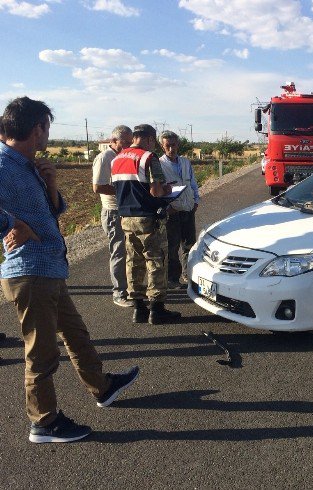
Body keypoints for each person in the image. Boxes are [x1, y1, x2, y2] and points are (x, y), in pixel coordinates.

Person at [0, 96, 139, 443]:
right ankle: (44, 423)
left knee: (76, 334)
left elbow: (51, 212)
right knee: (42, 353)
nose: (48, 136)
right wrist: (10, 223)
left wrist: (50, 186)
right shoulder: (3, 164)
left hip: (49, 268)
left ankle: (102, 387)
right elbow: (17, 219)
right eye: (47, 128)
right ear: (37, 129)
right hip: (30, 272)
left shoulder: (28, 164)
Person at [111, 124, 181, 325]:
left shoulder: (117, 159)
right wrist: (168, 190)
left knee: (133, 262)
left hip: (126, 218)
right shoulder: (148, 158)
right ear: (150, 139)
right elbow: (156, 191)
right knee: (155, 260)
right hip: (148, 218)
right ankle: (157, 309)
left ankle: (139, 309)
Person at [92, 125, 134, 307]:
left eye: (130, 142)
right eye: (124, 143)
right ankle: (119, 293)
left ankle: (130, 289)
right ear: (113, 141)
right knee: (119, 252)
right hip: (112, 212)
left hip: (126, 210)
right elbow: (98, 187)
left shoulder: (124, 157)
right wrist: (123, 190)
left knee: (130, 251)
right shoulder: (104, 158)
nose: (128, 146)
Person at [158, 131, 200, 289]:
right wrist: (168, 208)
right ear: (163, 146)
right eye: (167, 145)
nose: (171, 148)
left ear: (178, 145)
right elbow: (157, 190)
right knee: (172, 247)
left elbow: (193, 183)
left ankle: (188, 274)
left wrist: (196, 201)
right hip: (172, 212)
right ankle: (172, 279)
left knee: (189, 244)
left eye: (173, 145)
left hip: (188, 209)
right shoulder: (159, 165)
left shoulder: (185, 162)